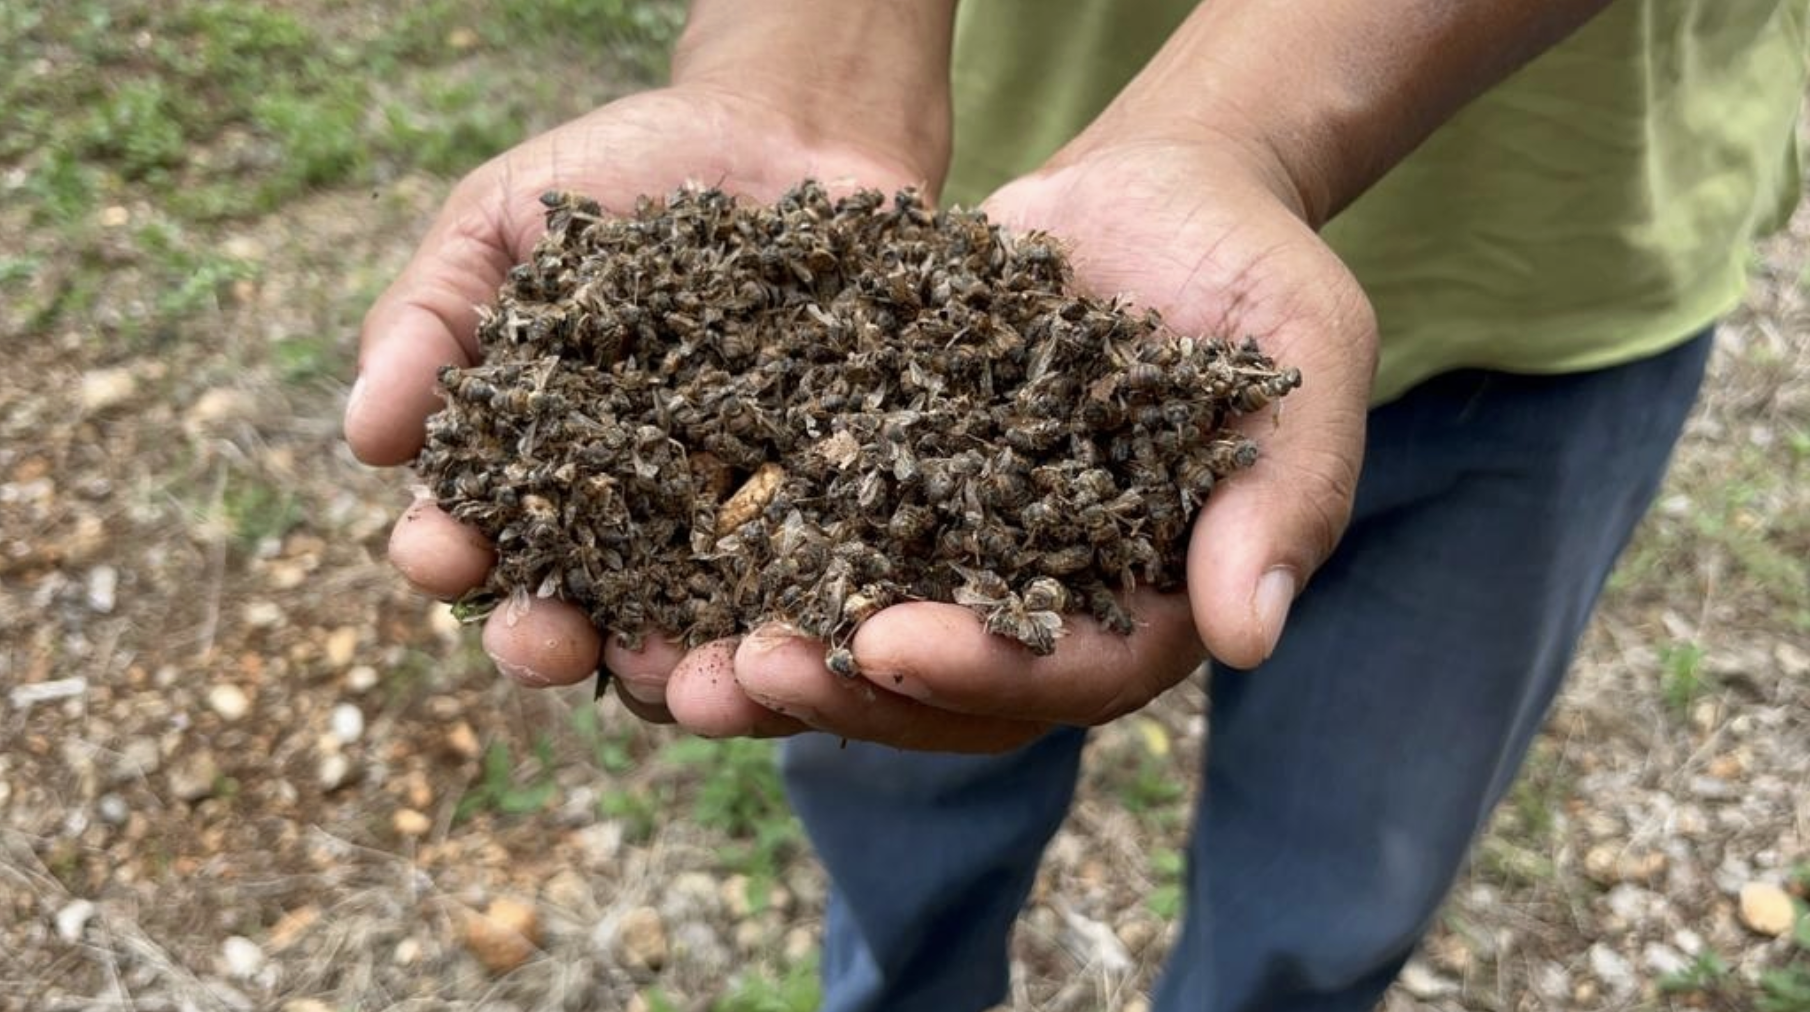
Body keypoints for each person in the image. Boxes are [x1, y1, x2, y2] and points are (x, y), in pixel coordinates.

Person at [344, 1, 1806, 1008]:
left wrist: (1244, 131)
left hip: (1546, 293)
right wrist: (799, 61)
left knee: (1341, 877)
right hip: (993, 203)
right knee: (890, 790)